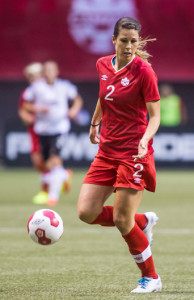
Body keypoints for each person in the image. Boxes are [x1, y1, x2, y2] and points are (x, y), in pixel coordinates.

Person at [78, 17, 162, 293]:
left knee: (121, 221)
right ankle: (144, 221)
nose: (128, 46)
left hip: (132, 154)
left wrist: (145, 140)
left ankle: (151, 278)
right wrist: (94, 124)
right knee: (86, 213)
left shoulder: (144, 71)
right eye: (124, 40)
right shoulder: (102, 64)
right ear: (113, 39)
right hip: (107, 151)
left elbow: (155, 116)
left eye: (133, 41)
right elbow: (105, 96)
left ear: (138, 43)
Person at [23, 61, 83, 206]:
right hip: (42, 129)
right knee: (47, 163)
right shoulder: (36, 87)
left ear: (57, 71)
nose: (49, 72)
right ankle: (64, 175)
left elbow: (77, 99)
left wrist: (74, 110)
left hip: (60, 129)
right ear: (43, 72)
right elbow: (26, 104)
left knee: (54, 159)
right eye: (47, 70)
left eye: (52, 70)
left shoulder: (64, 86)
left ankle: (53, 196)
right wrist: (37, 108)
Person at [18, 62, 51, 203]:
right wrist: (28, 116)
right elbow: (23, 110)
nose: (31, 79)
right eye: (29, 76)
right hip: (34, 130)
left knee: (43, 160)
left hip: (48, 129)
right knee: (38, 161)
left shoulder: (49, 89)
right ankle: (61, 176)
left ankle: (46, 192)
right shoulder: (29, 92)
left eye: (33, 76)